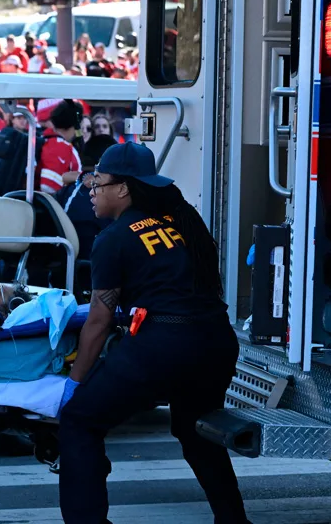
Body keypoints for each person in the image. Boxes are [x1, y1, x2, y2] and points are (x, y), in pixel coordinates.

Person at [57, 142, 248, 524]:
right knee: (196, 431)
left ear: (123, 188)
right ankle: (234, 521)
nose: (91, 192)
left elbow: (99, 318)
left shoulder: (114, 237)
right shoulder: (183, 222)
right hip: (216, 343)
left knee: (80, 421)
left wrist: (74, 383)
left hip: (163, 345)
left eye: (97, 183)